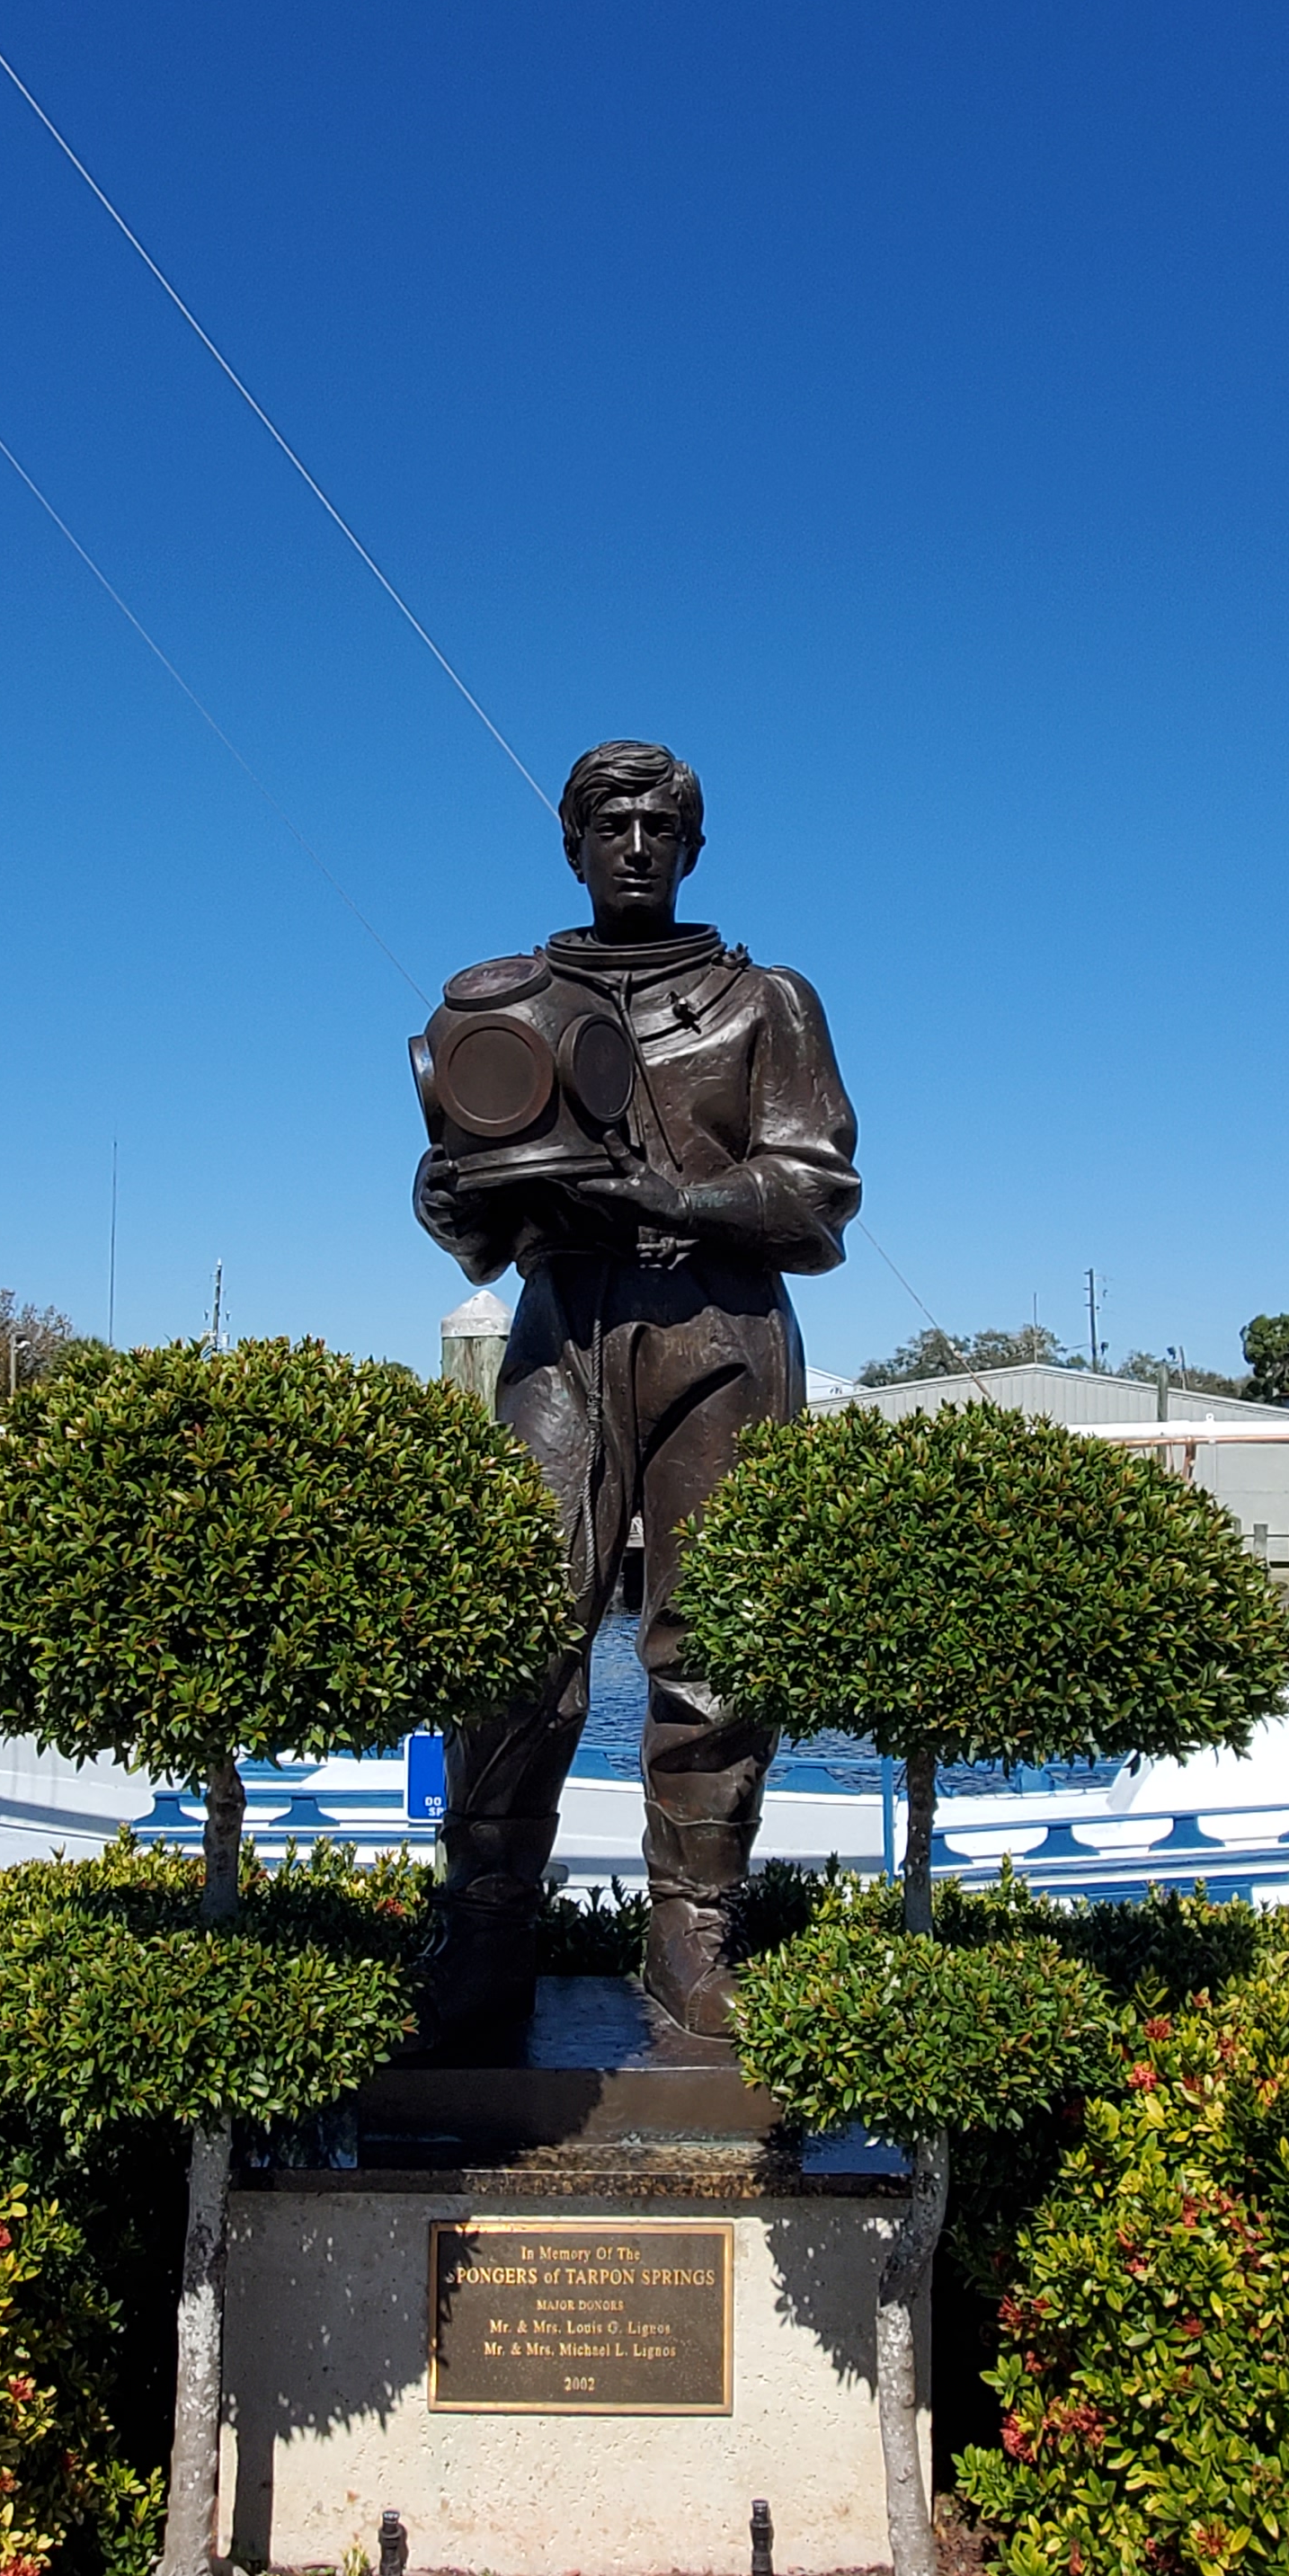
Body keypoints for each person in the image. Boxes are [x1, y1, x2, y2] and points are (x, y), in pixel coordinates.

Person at [412, 739, 859, 2046]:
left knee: (713, 1640)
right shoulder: (516, 1004)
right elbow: (473, 1201)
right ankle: (486, 1930)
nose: (636, 844)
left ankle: (691, 1935)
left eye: (661, 825)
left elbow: (816, 1196)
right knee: (513, 1625)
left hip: (714, 1323)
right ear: (571, 844)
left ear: (694, 847)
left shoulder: (764, 1000)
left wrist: (674, 1195)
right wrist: (449, 1209)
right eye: (610, 824)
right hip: (561, 1324)